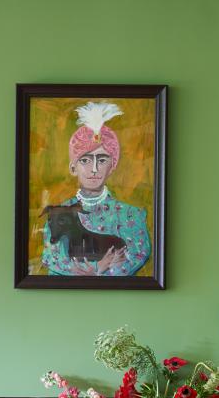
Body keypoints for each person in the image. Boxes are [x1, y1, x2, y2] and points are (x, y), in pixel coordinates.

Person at [41, 101, 151, 276]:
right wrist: (99, 268)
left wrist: (100, 272)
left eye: (101, 160)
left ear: (112, 166)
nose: (94, 169)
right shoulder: (57, 213)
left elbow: (138, 255)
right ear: (73, 168)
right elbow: (50, 257)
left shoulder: (131, 215)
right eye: (85, 160)